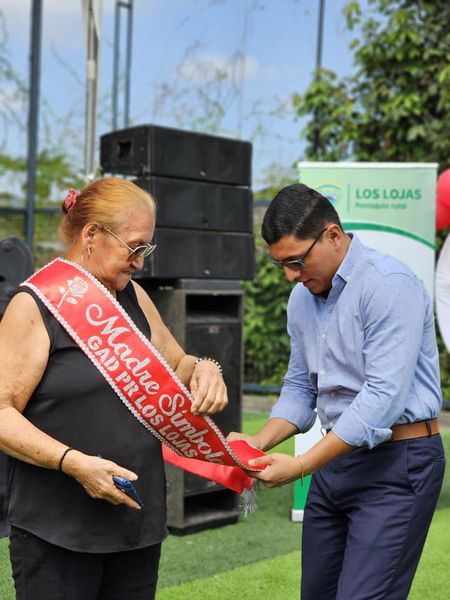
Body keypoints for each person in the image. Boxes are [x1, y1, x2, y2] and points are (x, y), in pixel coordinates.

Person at [0, 177, 228, 600]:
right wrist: (73, 463)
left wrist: (206, 368)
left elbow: (177, 365)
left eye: (146, 250)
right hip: (58, 529)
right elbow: (1, 413)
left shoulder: (133, 296)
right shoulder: (33, 305)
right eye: (134, 247)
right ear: (91, 234)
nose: (140, 263)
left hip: (135, 525)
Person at [229, 183, 445, 600]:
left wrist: (301, 465)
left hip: (398, 463)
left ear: (332, 235)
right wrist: (258, 442)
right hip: (335, 461)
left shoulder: (389, 284)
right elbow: (300, 387)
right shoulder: (301, 299)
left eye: (296, 261)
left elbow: (382, 399)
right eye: (281, 265)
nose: (291, 275)